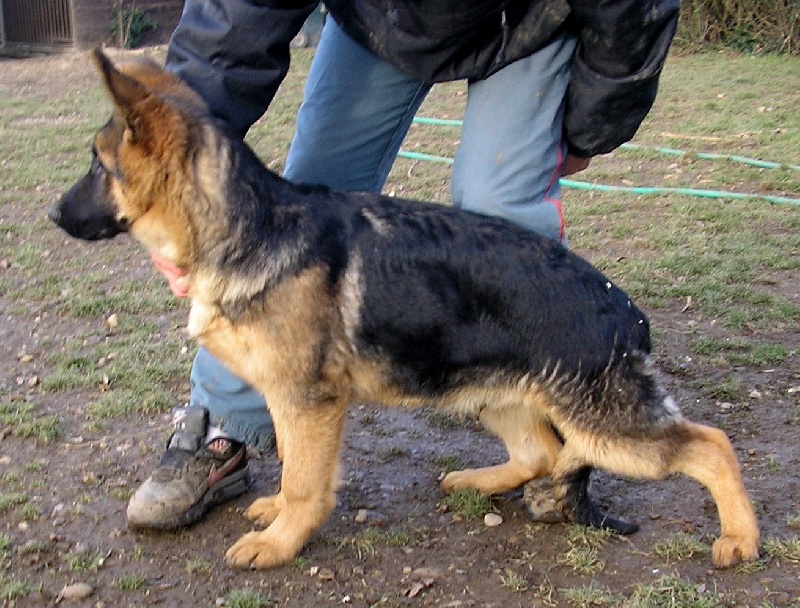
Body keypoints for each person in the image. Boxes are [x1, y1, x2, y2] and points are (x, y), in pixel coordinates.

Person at [126, 0, 680, 530]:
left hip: (530, 20)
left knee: (502, 206)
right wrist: (175, 164)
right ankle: (225, 423)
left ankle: (556, 428)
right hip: (378, 21)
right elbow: (233, 17)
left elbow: (628, 8)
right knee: (297, 216)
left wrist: (590, 125)